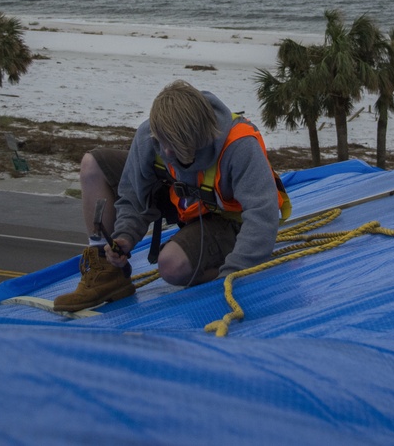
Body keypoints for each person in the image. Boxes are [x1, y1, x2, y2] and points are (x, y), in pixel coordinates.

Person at [54, 80, 290, 312]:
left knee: (172, 265)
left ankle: (226, 266)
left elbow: (262, 215)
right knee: (93, 165)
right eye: (161, 142)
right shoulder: (153, 135)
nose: (165, 152)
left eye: (175, 146)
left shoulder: (239, 146)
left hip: (225, 219)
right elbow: (133, 196)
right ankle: (107, 274)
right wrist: (124, 236)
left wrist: (234, 276)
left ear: (200, 138)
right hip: (182, 198)